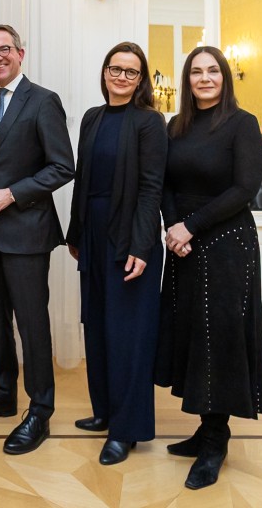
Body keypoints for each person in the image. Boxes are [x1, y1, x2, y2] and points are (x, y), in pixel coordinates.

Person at [155, 45, 262, 489]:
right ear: (187, 80)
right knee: (193, 336)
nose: (204, 78)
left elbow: (245, 187)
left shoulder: (242, 124)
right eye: (196, 72)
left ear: (224, 77)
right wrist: (173, 227)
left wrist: (190, 226)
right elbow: (165, 183)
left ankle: (215, 442)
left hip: (226, 243)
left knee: (219, 338)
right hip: (185, 242)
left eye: (213, 71)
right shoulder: (177, 125)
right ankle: (204, 427)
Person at [0, 24, 74, 455]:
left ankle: (40, 411)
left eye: (4, 49)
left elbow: (63, 167)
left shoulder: (43, 101)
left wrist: (11, 193)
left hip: (27, 233)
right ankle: (2, 393)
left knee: (32, 325)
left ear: (20, 53)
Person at [65, 42, 167, 465]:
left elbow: (150, 189)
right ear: (105, 72)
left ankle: (127, 430)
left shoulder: (150, 122)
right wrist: (75, 234)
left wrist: (142, 245)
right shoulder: (92, 117)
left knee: (128, 336)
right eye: (115, 69)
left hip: (131, 239)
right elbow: (82, 179)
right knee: (99, 328)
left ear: (140, 80)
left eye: (131, 72)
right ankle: (105, 412)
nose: (122, 77)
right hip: (93, 233)